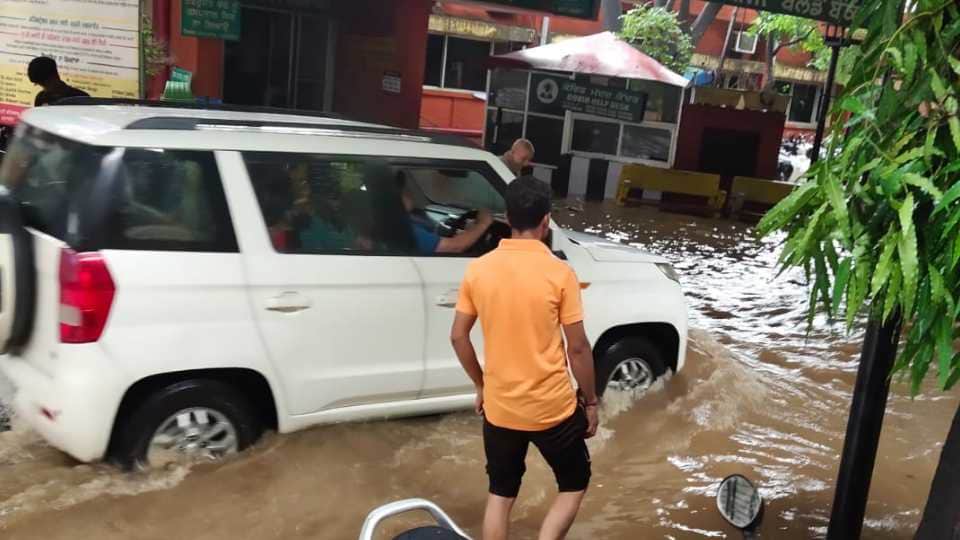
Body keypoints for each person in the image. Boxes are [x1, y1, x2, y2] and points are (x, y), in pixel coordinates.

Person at [450, 176, 599, 540]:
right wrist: (591, 402)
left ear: (507, 217)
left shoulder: (479, 270)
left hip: (500, 408)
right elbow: (578, 349)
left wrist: (481, 386)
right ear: (546, 220)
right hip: (552, 410)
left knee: (500, 495)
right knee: (574, 482)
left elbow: (457, 337)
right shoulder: (560, 273)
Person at [398, 172, 494, 254]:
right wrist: (483, 223)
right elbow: (452, 248)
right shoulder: (399, 227)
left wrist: (471, 230)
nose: (408, 194)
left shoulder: (404, 221)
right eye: (403, 191)